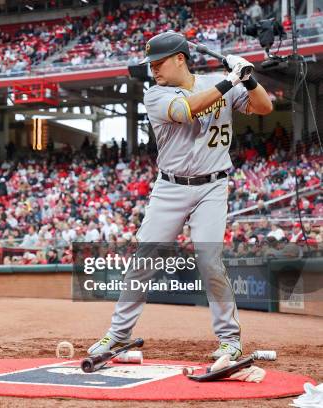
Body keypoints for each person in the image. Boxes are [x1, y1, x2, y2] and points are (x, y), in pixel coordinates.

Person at [88, 31, 273, 361]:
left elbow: (264, 106)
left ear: (180, 59)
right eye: (151, 64)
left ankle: (230, 340)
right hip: (170, 187)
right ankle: (117, 336)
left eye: (159, 63)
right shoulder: (156, 95)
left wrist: (249, 79)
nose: (153, 69)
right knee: (144, 260)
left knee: (209, 259)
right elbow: (188, 110)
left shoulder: (218, 81)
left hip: (212, 186)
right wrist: (231, 80)